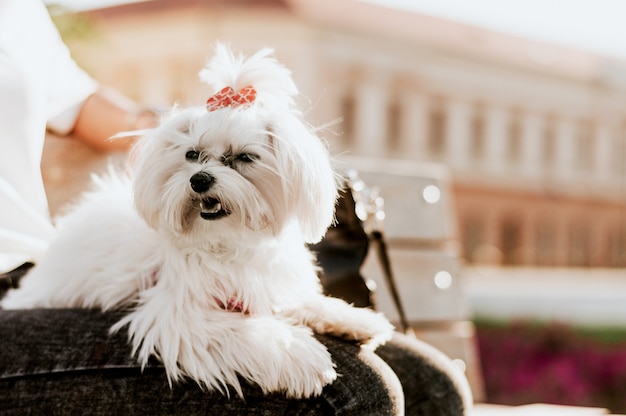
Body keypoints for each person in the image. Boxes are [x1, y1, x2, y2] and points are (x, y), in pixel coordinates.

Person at [0, 1, 473, 414]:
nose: (205, 176)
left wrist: (173, 130)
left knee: (433, 387)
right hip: (38, 307)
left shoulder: (19, 12)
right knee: (351, 395)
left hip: (31, 269)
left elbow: (74, 100)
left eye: (240, 160)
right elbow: (176, 324)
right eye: (197, 162)